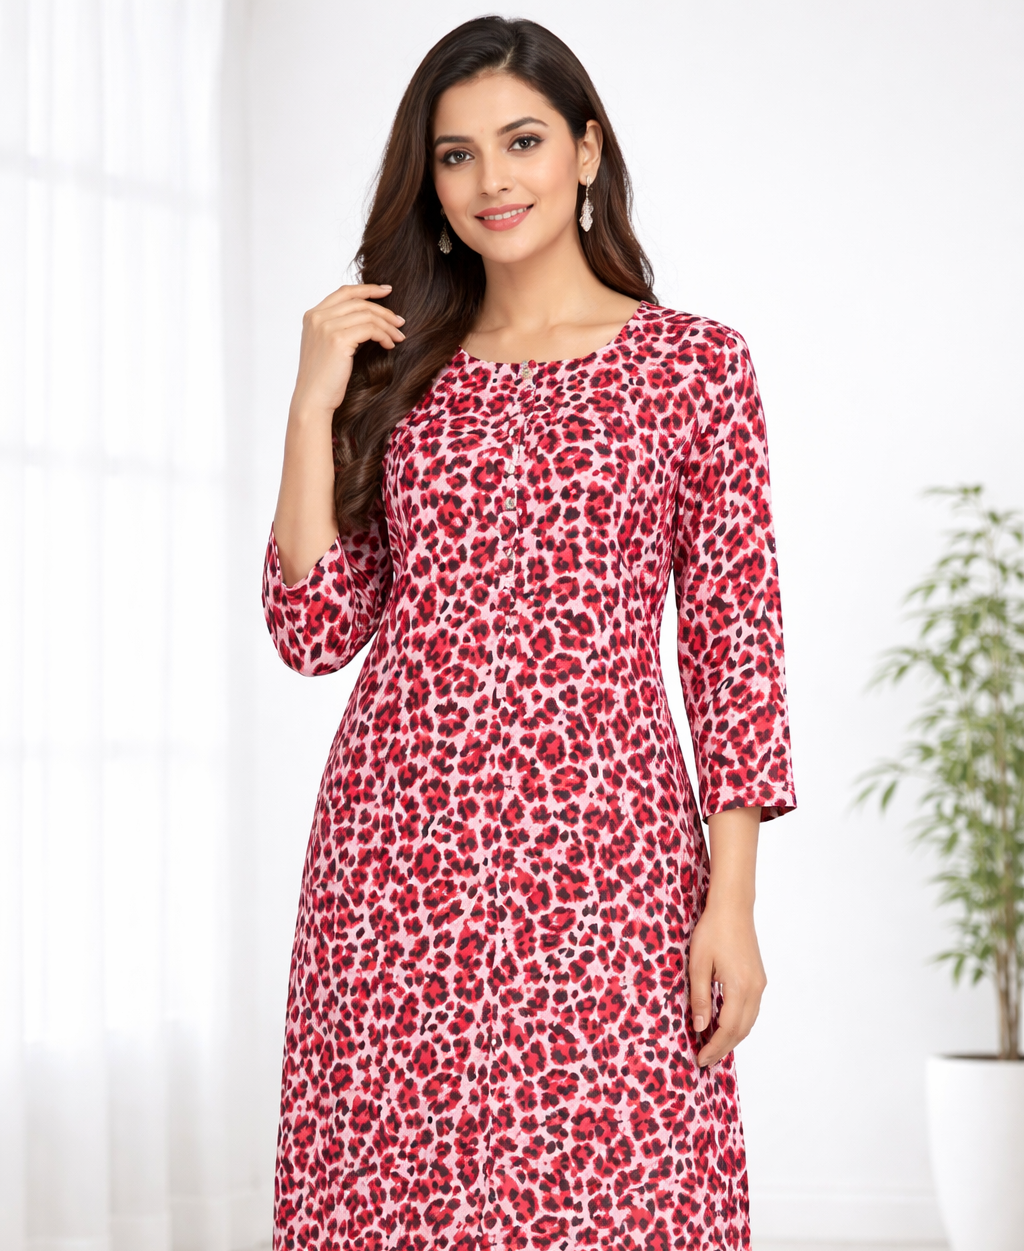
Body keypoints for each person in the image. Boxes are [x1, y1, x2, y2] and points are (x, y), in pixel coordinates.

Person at [262, 15, 797, 1251]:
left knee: (623, 1182)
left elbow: (737, 653)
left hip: (608, 853)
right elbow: (313, 628)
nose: (490, 180)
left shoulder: (693, 368)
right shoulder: (402, 373)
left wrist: (731, 903)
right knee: (396, 1187)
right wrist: (309, 406)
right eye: (455, 155)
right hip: (398, 851)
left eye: (521, 142)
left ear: (586, 152)